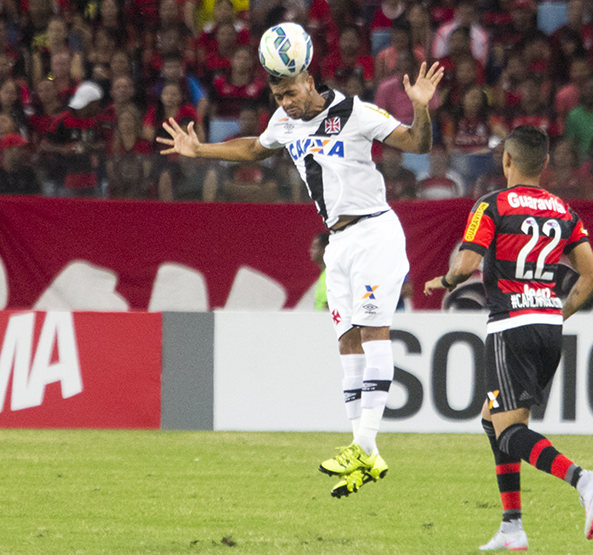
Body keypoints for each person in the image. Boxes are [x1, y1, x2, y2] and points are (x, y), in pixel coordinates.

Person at [158, 51, 444, 498]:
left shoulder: (355, 112)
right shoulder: (284, 122)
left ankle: (364, 447)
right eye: (278, 96)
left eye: (290, 93)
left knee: (374, 333)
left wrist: (421, 108)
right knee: (348, 342)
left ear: (309, 80)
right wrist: (200, 149)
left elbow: (417, 143)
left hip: (374, 231)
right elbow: (254, 148)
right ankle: (364, 451)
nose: (286, 103)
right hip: (339, 243)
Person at [424, 126, 593, 551]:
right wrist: (555, 313)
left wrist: (445, 280)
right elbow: (592, 277)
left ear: (506, 160)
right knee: (492, 420)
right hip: (548, 328)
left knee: (509, 432)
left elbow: (467, 263)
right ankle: (512, 527)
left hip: (511, 327)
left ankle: (584, 479)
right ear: (544, 164)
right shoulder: (564, 210)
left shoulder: (492, 205)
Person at [310, 232, 330, 310]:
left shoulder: (330, 276)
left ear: (325, 249)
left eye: (314, 247)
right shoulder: (324, 275)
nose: (310, 251)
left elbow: (329, 306)